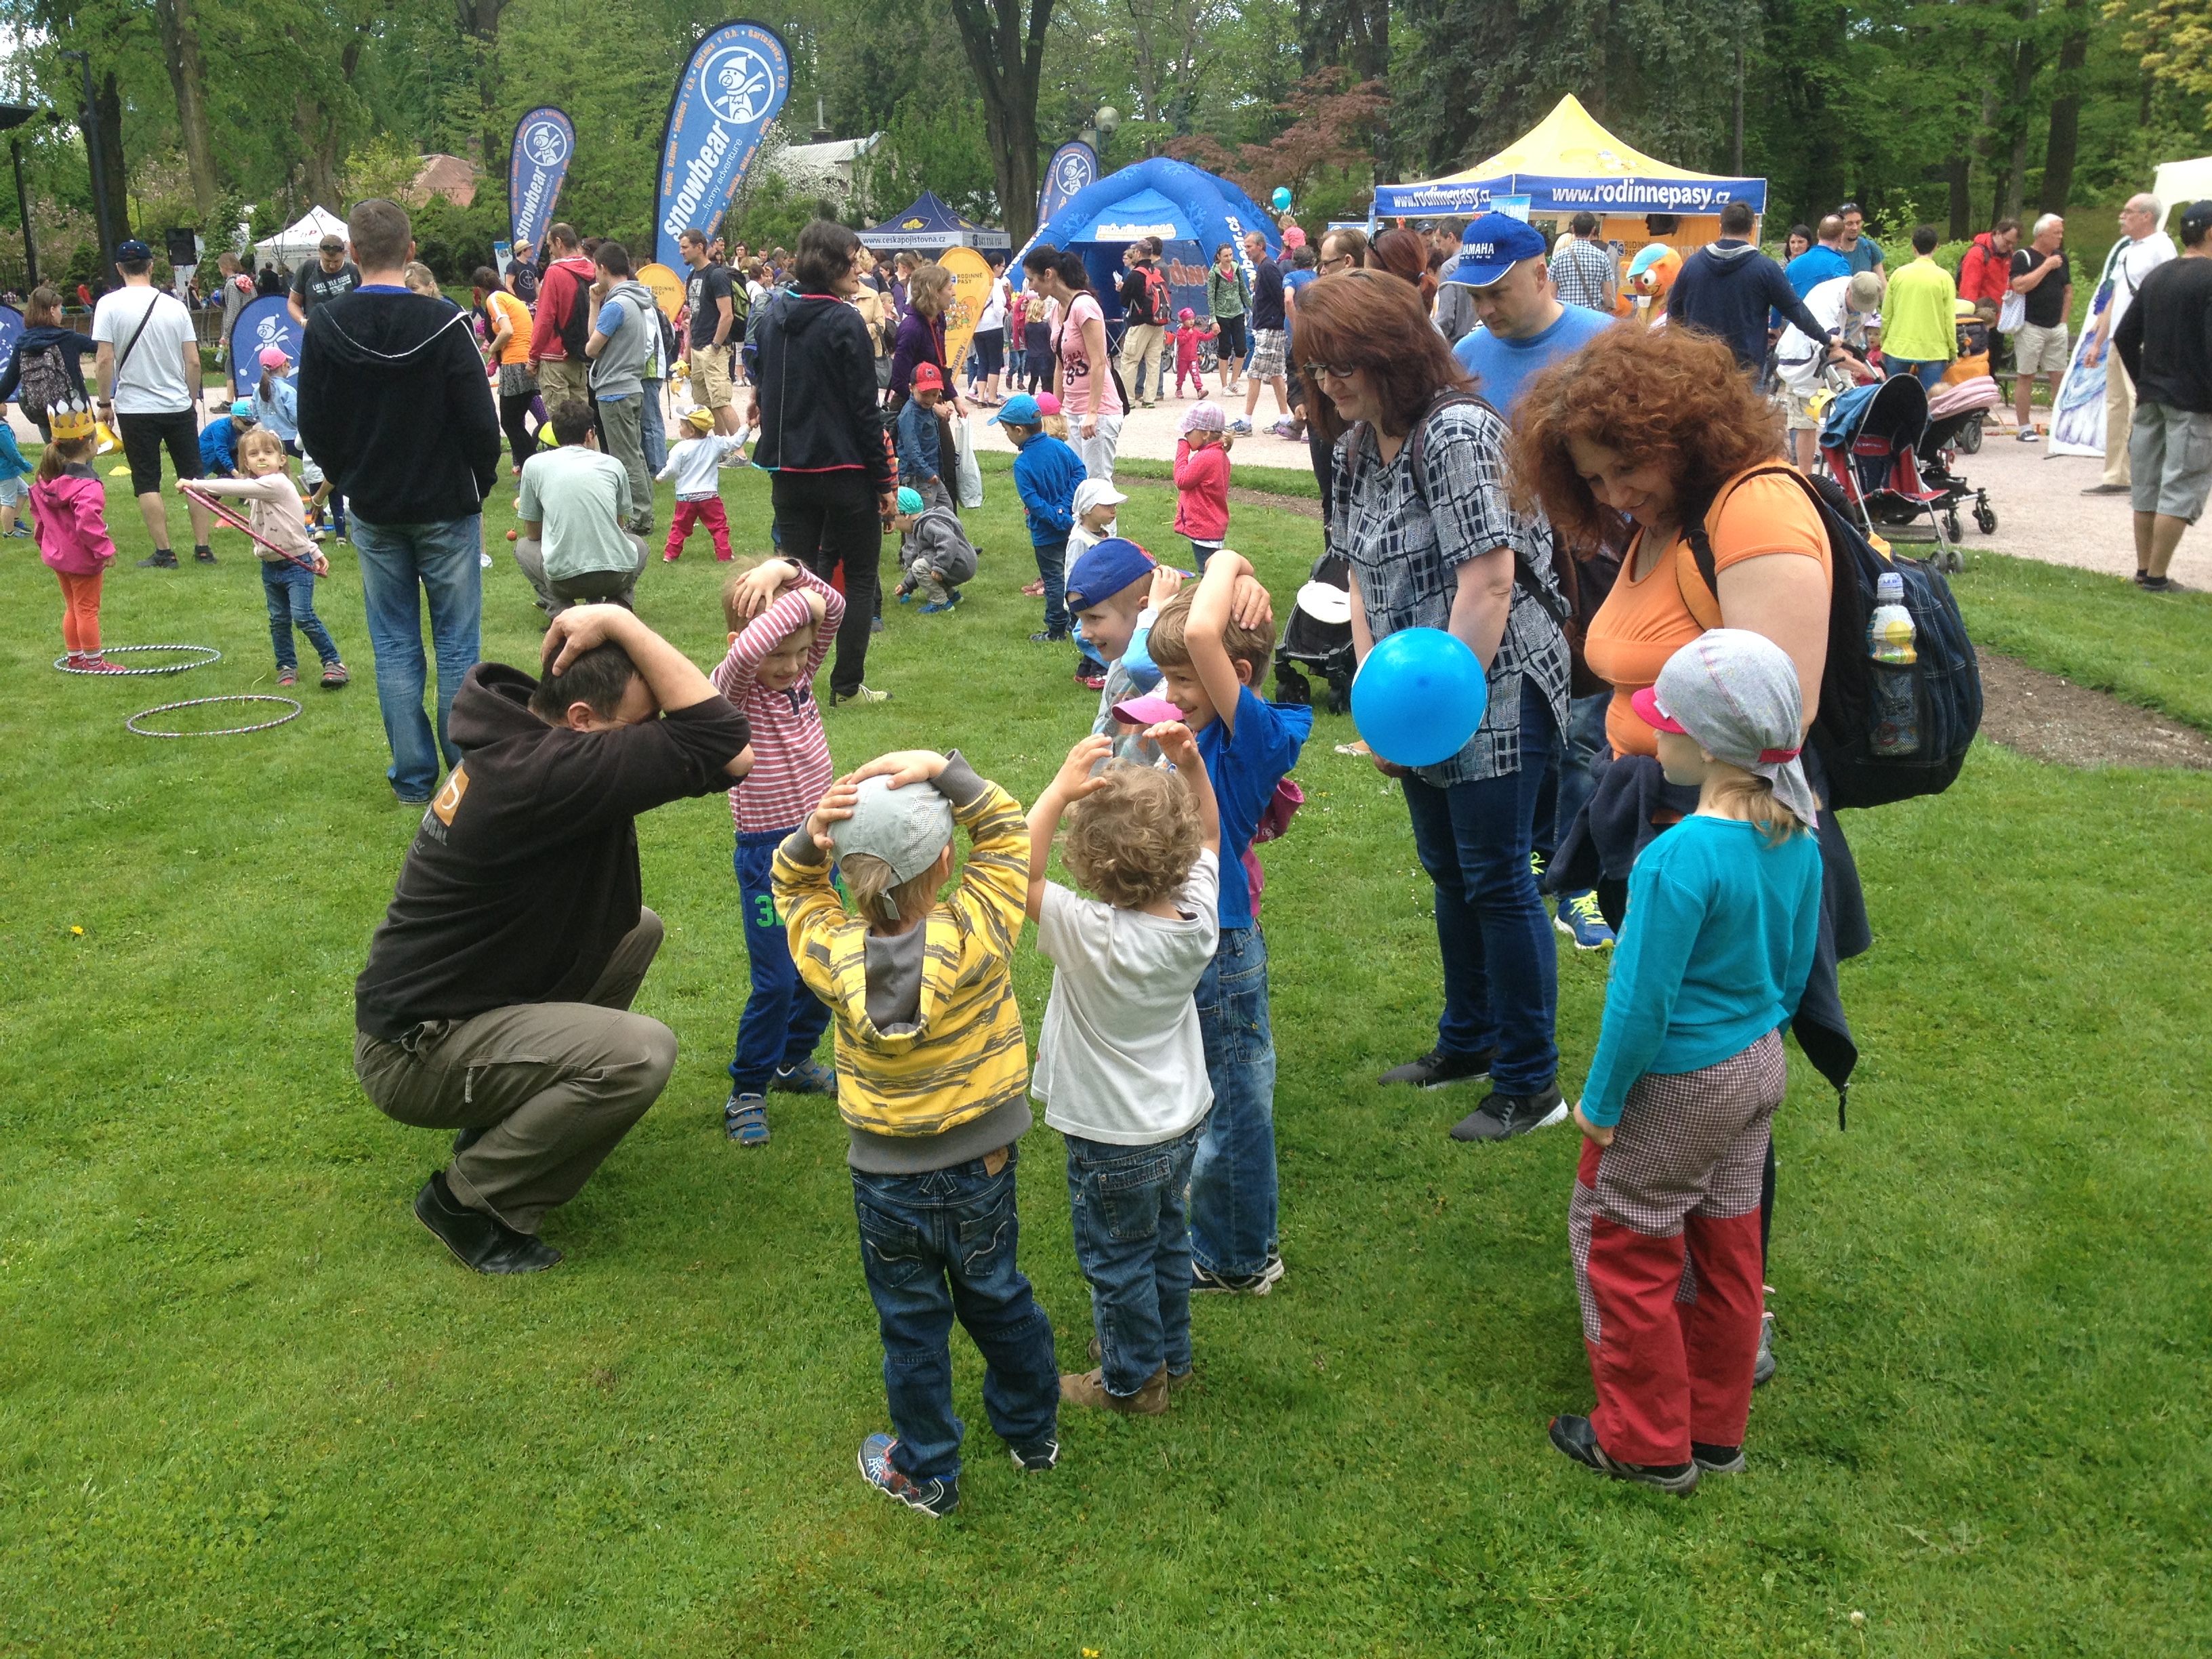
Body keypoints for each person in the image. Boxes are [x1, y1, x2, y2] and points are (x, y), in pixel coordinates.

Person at [1512, 321, 1873, 1388]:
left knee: (1716, 1061)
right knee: (1697, 1068)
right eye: (1592, 478)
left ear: (1679, 429)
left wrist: (1696, 849)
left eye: (1625, 464)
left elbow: (1775, 717)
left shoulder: (1752, 509)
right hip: (1661, 822)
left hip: (1723, 834)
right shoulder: (1664, 520)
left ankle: (1726, 1311)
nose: (1614, 491)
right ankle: (1700, 1294)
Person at [354, 606, 754, 1274]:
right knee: (640, 1054)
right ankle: (472, 1202)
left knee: (634, 930)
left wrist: (622, 635)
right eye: (642, 725)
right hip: (413, 1053)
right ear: (582, 719)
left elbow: (731, 757)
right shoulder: (542, 775)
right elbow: (719, 735)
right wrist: (621, 621)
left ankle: (512, 1116)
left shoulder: (529, 735)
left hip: (463, 1007)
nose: (653, 737)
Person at [1296, 270, 1572, 1139]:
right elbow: (1359, 578)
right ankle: (1470, 1041)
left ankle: (1531, 1083)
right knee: (1450, 870)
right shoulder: (1354, 447)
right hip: (1417, 693)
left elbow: (1490, 582)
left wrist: (1439, 713)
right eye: (1317, 367)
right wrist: (1377, 700)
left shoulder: (1458, 433)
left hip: (1496, 681)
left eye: (1343, 364)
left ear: (1392, 352)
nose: (1329, 383)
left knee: (1497, 877)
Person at [1549, 629, 1821, 1497]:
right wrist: (1755, 1033)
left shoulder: (1674, 859)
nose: (1646, 726)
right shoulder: (1796, 836)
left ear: (1705, 745)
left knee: (1624, 1240)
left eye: (1661, 716)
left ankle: (1644, 1442)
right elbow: (1794, 971)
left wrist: (1601, 1103)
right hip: (1758, 1065)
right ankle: (1713, 1429)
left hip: (1679, 1082)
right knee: (1728, 1249)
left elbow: (1641, 1005)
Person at [777, 749, 1062, 1517]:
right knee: (999, 1295)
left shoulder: (832, 953)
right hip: (983, 1163)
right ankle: (1033, 1434)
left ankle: (930, 1472)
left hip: (886, 1180)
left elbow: (793, 891)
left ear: (847, 875)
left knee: (911, 1327)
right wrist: (944, 769)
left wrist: (809, 835)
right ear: (946, 860)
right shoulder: (980, 928)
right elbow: (1007, 834)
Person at [1025, 724, 1221, 1414]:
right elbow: (1212, 837)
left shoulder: (1091, 933)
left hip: (1111, 1137)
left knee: (1117, 1260)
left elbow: (1021, 873)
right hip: (1179, 1123)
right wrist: (1192, 766)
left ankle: (1133, 1381)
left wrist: (1058, 792)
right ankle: (1172, 1356)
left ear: (1089, 861)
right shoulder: (1198, 917)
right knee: (1165, 1244)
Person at [297, 197, 504, 806]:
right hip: (439, 504)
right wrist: (478, 480)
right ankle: (457, 776)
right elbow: (480, 419)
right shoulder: (443, 321)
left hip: (380, 504)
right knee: (456, 644)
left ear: (352, 254)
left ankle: (416, 777)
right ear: (410, 251)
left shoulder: (330, 324)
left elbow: (313, 422)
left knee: (394, 644)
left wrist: (347, 475)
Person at [1143, 554, 1311, 1293]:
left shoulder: (1257, 739)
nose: (1170, 694)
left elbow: (1202, 634)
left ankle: (1239, 1259)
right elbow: (1184, 638)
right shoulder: (1203, 723)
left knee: (1235, 1098)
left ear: (1236, 674)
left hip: (1222, 944)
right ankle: (1226, 1229)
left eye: (1184, 681)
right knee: (1212, 1085)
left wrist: (1233, 561)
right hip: (1193, 937)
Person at [710, 556, 843, 1145]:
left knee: (824, 966)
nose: (792, 666)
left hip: (820, 848)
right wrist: (795, 597)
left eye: (802, 653)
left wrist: (783, 570)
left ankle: (793, 1059)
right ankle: (748, 1088)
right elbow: (754, 646)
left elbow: (833, 606)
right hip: (767, 856)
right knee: (777, 981)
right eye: (780, 654)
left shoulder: (799, 674)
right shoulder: (731, 688)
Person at [748, 218, 897, 706]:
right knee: (858, 578)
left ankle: (790, 684)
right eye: (852, 262)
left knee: (796, 580)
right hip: (844, 470)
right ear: (829, 265)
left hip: (789, 470)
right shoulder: (844, 320)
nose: (859, 270)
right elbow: (864, 411)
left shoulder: (774, 314)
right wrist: (884, 480)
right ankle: (846, 688)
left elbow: (764, 381)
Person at [183, 426, 348, 689]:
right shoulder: (258, 492)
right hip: (271, 566)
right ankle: (286, 666)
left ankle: (333, 662)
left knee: (303, 616)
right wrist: (316, 550)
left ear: (281, 460)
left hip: (296, 565)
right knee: (278, 620)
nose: (261, 457)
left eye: (268, 452)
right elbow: (291, 526)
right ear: (245, 462)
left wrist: (195, 484)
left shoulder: (277, 484)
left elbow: (238, 487)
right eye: (254, 454)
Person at [91, 239, 215, 570]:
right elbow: (193, 361)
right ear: (151, 266)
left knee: (147, 480)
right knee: (194, 477)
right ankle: (203, 548)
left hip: (135, 407)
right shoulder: (175, 306)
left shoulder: (108, 305)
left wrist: (104, 401)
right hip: (177, 404)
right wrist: (190, 399)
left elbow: (104, 359)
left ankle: (164, 552)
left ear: (119, 268)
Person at [2112, 199, 2212, 592]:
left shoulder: (2158, 276)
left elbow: (2124, 335)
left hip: (2152, 396)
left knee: (2148, 485)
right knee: (2181, 485)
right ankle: (2156, 578)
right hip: (2193, 400)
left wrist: (2145, 381)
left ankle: (2143, 569)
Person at [1447, 213, 1615, 413]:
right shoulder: (1465, 356)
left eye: (1497, 294)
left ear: (1540, 276)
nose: (1485, 310)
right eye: (1475, 296)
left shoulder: (1608, 342)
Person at [1666, 203, 1843, 374]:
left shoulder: (1692, 265)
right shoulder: (1765, 268)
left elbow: (1674, 314)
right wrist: (1825, 338)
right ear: (1751, 230)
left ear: (1721, 228)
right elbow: (1795, 310)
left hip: (1698, 367)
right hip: (1744, 370)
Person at [999, 391, 1101, 682]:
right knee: (1073, 574)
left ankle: (1056, 628)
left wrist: (1056, 515)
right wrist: (1066, 508)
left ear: (1019, 430)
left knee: (1054, 579)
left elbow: (1032, 502)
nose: (1007, 435)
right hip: (1070, 526)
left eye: (1006, 430)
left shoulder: (1022, 464)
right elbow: (1079, 473)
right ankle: (1076, 620)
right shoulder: (1060, 447)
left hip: (1046, 532)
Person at [2082, 194, 2177, 495]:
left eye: (2128, 212)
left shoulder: (2162, 248)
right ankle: (2116, 475)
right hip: (2120, 338)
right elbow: (2115, 298)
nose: (2121, 217)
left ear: (2147, 216)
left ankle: (2147, 475)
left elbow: (2169, 293)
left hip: (2144, 338)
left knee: (2142, 404)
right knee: (2117, 406)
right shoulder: (2128, 250)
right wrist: (2097, 343)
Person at [513, 398, 647, 612]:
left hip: (563, 580)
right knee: (638, 545)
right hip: (616, 575)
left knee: (523, 547)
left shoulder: (534, 465)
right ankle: (619, 604)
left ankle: (561, 610)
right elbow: (618, 524)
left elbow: (533, 534)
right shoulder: (613, 464)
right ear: (590, 434)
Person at [1021, 246, 1126, 481]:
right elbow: (1061, 365)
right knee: (1074, 481)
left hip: (1099, 410)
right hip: (1073, 409)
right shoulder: (1056, 311)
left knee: (1097, 484)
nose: (1031, 287)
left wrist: (1092, 412)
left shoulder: (1084, 306)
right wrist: (1055, 410)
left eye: (1031, 279)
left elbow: (1099, 362)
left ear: (1048, 274)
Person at [581, 241, 657, 537]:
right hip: (632, 387)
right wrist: (594, 303)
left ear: (602, 268)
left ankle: (640, 517)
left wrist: (599, 306)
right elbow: (596, 338)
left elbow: (591, 348)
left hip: (615, 390)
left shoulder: (616, 305)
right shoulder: (633, 300)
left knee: (625, 458)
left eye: (595, 269)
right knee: (635, 454)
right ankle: (644, 511)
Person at [33, 403, 116, 671]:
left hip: (58, 555)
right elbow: (88, 524)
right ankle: (94, 662)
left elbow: (39, 517)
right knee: (87, 609)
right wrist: (105, 550)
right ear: (91, 444)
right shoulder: (88, 486)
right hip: (81, 559)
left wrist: (45, 543)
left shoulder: (46, 479)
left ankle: (76, 658)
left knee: (73, 606)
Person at [1775, 271, 1883, 468]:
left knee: (1850, 413)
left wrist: (1854, 359)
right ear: (1849, 290)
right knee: (1807, 422)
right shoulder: (1825, 301)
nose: (1859, 309)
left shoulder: (1866, 293)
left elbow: (1855, 333)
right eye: (1856, 304)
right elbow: (1830, 351)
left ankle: (1842, 474)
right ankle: (1807, 478)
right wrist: (1868, 370)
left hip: (1838, 355)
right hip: (1804, 363)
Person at [1, 284, 97, 441]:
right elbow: (101, 347)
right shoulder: (69, 339)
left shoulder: (23, 343)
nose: (61, 312)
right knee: (82, 454)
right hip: (76, 411)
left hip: (45, 413)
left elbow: (8, 382)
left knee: (54, 453)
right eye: (59, 308)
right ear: (52, 310)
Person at [2009, 213, 2072, 441]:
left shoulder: (2061, 258)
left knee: (2059, 376)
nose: (2060, 237)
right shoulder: (2023, 257)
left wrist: (2063, 320)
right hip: (2030, 325)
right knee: (2027, 375)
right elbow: (2019, 286)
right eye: (2057, 233)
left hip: (2056, 327)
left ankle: (2060, 426)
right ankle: (2024, 427)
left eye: (2061, 232)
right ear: (2042, 235)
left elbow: (2068, 290)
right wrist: (2046, 266)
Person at [474, 266, 539, 476]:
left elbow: (507, 331)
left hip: (514, 363)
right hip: (526, 360)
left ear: (481, 287)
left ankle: (530, 470)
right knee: (515, 421)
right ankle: (532, 468)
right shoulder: (510, 297)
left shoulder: (494, 299)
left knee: (510, 423)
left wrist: (492, 349)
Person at [657, 405, 743, 562]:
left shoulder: (679, 448)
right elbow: (735, 442)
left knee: (679, 527)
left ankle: (670, 554)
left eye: (681, 425)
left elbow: (672, 469)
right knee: (719, 526)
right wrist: (748, 428)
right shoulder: (715, 443)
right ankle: (724, 554)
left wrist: (661, 477)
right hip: (709, 496)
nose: (679, 428)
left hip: (686, 497)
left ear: (691, 431)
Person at [678, 227, 742, 436]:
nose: (681, 251)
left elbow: (727, 315)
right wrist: (686, 355)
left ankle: (739, 450)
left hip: (714, 349)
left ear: (699, 247)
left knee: (721, 401)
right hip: (697, 349)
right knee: (705, 404)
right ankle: (721, 447)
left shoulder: (716, 275)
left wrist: (715, 345)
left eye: (685, 247)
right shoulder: (692, 277)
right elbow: (694, 319)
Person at [1878, 226, 1959, 389]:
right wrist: (1952, 350)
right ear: (1936, 247)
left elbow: (1887, 314)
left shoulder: (1898, 275)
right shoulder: (1944, 278)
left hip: (1897, 346)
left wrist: (1884, 342)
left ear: (1913, 247)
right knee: (1931, 398)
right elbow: (1949, 318)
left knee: (1895, 396)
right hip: (1934, 349)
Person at [529, 223, 598, 410]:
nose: (550, 251)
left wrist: (533, 357)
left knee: (561, 419)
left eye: (550, 245)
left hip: (554, 355)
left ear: (559, 242)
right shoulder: (591, 269)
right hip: (579, 352)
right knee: (582, 417)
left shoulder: (555, 272)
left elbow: (545, 319)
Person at [890, 484, 978, 613]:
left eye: (894, 517)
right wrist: (907, 585)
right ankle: (952, 596)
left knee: (920, 567)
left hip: (960, 564)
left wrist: (940, 567)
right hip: (963, 562)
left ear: (906, 515)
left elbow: (949, 541)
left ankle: (940, 603)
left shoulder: (928, 524)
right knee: (924, 564)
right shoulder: (923, 524)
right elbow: (924, 558)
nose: (894, 524)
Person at [888, 263, 958, 413]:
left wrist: (955, 399)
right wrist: (933, 407)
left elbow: (940, 365)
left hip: (930, 401)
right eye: (949, 288)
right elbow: (899, 382)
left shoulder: (938, 319)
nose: (954, 293)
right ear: (934, 293)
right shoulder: (911, 329)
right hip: (909, 409)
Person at [1239, 230, 1288, 436]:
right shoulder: (1264, 268)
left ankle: (1246, 421)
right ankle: (1285, 419)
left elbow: (1282, 297)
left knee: (1254, 373)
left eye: (1249, 246)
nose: (1246, 250)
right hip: (1269, 328)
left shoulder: (1268, 268)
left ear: (1261, 246)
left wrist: (1278, 321)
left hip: (1271, 329)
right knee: (1276, 375)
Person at [1174, 400, 1231, 569]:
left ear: (1205, 434)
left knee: (1207, 573)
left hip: (1205, 528)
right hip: (1212, 526)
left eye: (1189, 432)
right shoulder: (1218, 454)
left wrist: (1182, 449)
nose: (1185, 436)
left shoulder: (1206, 457)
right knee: (1213, 570)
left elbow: (1182, 480)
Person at [895, 361, 954, 512]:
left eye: (934, 395)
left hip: (933, 473)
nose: (929, 400)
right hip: (917, 477)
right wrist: (927, 472)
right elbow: (912, 449)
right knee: (923, 515)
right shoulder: (909, 415)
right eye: (924, 394)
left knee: (947, 509)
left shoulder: (927, 409)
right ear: (911, 388)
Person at [1118, 237, 1169, 409]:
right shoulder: (1157, 272)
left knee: (1130, 360)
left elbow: (1125, 301)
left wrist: (1122, 290)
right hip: (1159, 322)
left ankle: (1129, 400)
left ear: (1138, 254)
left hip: (1140, 323)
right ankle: (1149, 399)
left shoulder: (1136, 275)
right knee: (1153, 362)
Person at [1956, 217, 2020, 325]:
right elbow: (1969, 290)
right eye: (2007, 242)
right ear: (1998, 233)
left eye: (2013, 244)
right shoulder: (1977, 254)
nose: (2010, 246)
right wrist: (1971, 319)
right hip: (1981, 318)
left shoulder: (2010, 256)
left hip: (1999, 318)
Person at [1551, 211, 1618, 312]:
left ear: (1573, 229)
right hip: (1594, 316)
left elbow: (1552, 294)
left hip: (1568, 315)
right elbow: (1608, 293)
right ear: (1593, 230)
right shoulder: (1602, 257)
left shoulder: (1558, 258)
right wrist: (1607, 310)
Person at [288, 233, 361, 325]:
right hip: (317, 329)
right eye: (327, 261)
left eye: (336, 261)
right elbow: (293, 302)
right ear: (319, 252)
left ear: (344, 253)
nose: (332, 266)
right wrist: (302, 321)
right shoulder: (307, 270)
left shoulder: (354, 272)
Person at [1208, 242, 1250, 396]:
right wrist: (1214, 320)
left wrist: (1253, 307)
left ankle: (1234, 382)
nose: (1229, 258)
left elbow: (1243, 290)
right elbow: (1211, 297)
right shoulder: (1214, 273)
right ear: (1219, 256)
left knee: (1241, 349)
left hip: (1238, 313)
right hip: (1222, 315)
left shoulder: (1237, 268)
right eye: (1225, 256)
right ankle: (1224, 385)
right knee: (1224, 350)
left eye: (1231, 255)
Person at [973, 251, 1010, 405]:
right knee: (994, 362)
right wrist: (1004, 312)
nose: (1003, 269)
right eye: (1003, 266)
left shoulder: (978, 281)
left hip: (978, 327)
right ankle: (993, 397)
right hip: (993, 325)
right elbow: (998, 307)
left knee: (983, 361)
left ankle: (981, 397)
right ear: (996, 266)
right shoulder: (995, 282)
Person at [1785, 216, 1853, 300]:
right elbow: (1847, 301)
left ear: (1818, 234)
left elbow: (1781, 301)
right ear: (1841, 237)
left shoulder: (1792, 266)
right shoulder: (1839, 265)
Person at [1066, 475, 1125, 565]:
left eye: (1114, 506)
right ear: (1088, 508)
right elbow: (1073, 572)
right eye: (1107, 506)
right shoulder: (1079, 540)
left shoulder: (1106, 535)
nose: (1113, 511)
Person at [197, 396, 260, 475]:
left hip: (226, 453)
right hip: (209, 458)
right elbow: (221, 450)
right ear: (234, 419)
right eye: (248, 423)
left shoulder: (240, 428)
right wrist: (234, 472)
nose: (251, 427)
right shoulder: (221, 428)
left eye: (254, 423)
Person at [214, 251, 256, 368]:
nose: (220, 270)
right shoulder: (247, 282)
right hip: (251, 329)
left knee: (231, 367)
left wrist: (226, 335)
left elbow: (233, 312)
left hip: (238, 333)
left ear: (225, 266)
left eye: (220, 267)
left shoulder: (231, 285)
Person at [1835, 202, 1885, 276]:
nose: (1855, 228)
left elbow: (1882, 281)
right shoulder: (1831, 251)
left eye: (1858, 223)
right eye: (1849, 224)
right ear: (1839, 224)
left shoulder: (1870, 248)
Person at [1174, 306, 1210, 398]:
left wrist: (1213, 334)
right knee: (1181, 375)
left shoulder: (1195, 331)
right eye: (1189, 319)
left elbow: (1204, 337)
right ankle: (1179, 389)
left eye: (1193, 319)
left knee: (1196, 374)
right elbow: (1180, 341)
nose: (1191, 321)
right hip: (1183, 359)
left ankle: (1199, 390)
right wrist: (1188, 334)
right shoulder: (1180, 331)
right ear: (1183, 321)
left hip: (1193, 359)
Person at [504, 239, 539, 306]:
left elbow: (537, 286)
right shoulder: (513, 265)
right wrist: (517, 301)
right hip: (520, 304)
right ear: (523, 251)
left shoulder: (532, 266)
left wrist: (539, 299)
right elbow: (508, 285)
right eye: (529, 249)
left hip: (533, 304)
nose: (532, 251)